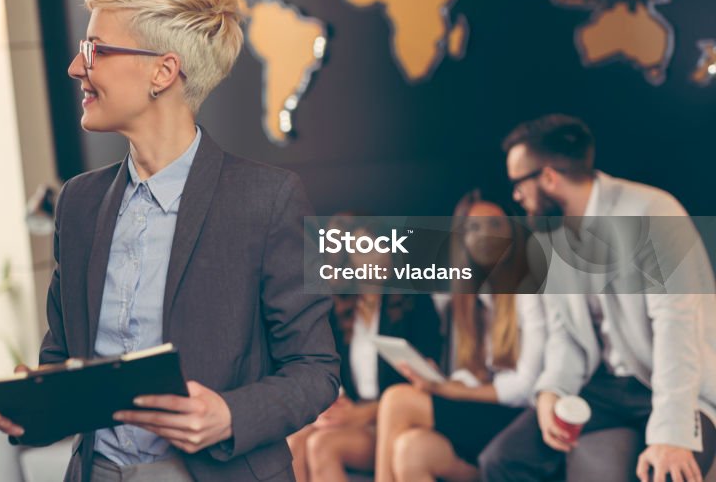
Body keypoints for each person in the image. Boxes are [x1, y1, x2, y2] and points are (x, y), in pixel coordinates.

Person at [0, 0, 339, 481]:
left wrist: (229, 415)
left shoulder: (267, 199)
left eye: (96, 49)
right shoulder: (79, 203)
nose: (76, 67)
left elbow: (315, 370)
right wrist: (34, 408)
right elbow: (62, 358)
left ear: (163, 71)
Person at [479, 114, 716, 482]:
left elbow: (678, 327)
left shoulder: (652, 211)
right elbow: (566, 335)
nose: (515, 196)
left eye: (518, 183)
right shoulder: (548, 236)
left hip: (674, 379)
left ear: (548, 177)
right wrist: (551, 391)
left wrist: (671, 435)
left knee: (669, 474)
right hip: (605, 388)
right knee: (502, 460)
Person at [373, 191, 546, 482]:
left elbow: (526, 388)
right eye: (473, 228)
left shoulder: (528, 290)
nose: (484, 235)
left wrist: (453, 391)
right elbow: (465, 372)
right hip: (481, 415)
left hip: (520, 419)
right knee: (410, 450)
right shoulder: (466, 301)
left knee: (396, 400)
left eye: (495, 224)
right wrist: (440, 379)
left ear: (513, 232)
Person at [286, 219, 442, 482]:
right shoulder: (339, 313)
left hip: (392, 420)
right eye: (363, 248)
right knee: (295, 443)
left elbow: (427, 377)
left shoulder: (415, 304)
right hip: (355, 417)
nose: (377, 255)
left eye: (380, 244)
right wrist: (330, 408)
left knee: (322, 445)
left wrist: (361, 414)